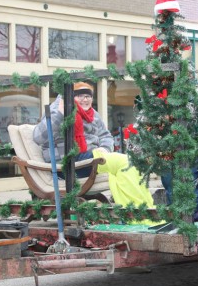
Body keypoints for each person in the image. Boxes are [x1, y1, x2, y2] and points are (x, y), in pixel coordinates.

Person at [33, 82, 161, 225]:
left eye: (88, 96)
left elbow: (106, 136)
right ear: (70, 97)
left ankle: (146, 212)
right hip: (69, 164)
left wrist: (105, 149)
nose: (85, 99)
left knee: (131, 162)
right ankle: (137, 218)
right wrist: (60, 115)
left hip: (91, 158)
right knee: (123, 162)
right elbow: (38, 137)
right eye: (80, 96)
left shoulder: (93, 114)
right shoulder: (57, 110)